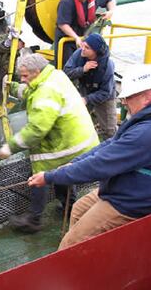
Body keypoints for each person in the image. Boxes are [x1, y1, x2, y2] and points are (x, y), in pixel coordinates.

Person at [29, 64, 151, 249]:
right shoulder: (141, 119)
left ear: (147, 96)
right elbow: (110, 145)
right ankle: (88, 252)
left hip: (131, 201)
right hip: (122, 187)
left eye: (128, 97)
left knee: (70, 243)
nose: (124, 102)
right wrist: (73, 163)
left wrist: (49, 177)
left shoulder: (145, 132)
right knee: (78, 209)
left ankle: (74, 258)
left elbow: (101, 165)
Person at [0, 53, 99, 233]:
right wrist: (12, 87)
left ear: (36, 72)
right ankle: (70, 204)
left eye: (25, 76)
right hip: (80, 138)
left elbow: (37, 129)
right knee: (63, 170)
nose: (22, 79)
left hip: (66, 143)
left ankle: (33, 219)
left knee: (39, 174)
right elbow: (30, 89)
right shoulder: (54, 75)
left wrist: (10, 146)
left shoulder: (45, 93)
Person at [64, 33, 117, 139]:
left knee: (110, 131)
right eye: (83, 44)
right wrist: (83, 69)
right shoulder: (79, 54)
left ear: (95, 52)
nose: (82, 48)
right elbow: (66, 72)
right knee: (75, 123)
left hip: (104, 97)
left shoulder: (107, 66)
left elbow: (106, 92)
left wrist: (86, 99)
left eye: (87, 47)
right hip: (85, 90)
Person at [54, 0, 115, 68]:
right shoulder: (66, 2)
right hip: (66, 41)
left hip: (84, 39)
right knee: (66, 68)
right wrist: (76, 38)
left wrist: (111, 11)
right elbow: (62, 24)